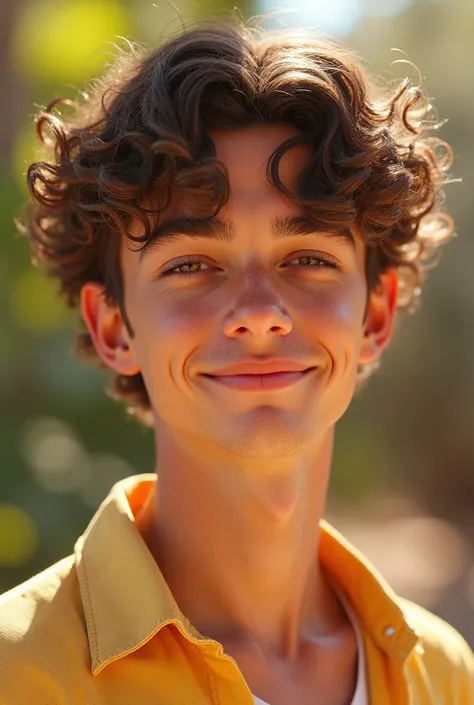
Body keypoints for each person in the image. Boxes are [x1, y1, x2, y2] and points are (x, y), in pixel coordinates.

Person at [0, 18, 472, 705]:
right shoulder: (19, 673)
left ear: (374, 314)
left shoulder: (443, 675)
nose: (258, 309)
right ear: (113, 326)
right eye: (192, 263)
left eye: (308, 258)